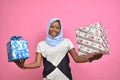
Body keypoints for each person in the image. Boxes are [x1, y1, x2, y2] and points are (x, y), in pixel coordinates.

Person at [15, 18, 103, 80]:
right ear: (48, 27)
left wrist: (91, 58)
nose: (54, 29)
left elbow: (77, 59)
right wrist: (23, 66)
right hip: (48, 77)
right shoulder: (41, 44)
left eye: (57, 27)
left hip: (65, 77)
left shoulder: (67, 42)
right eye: (52, 26)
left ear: (60, 30)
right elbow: (37, 64)